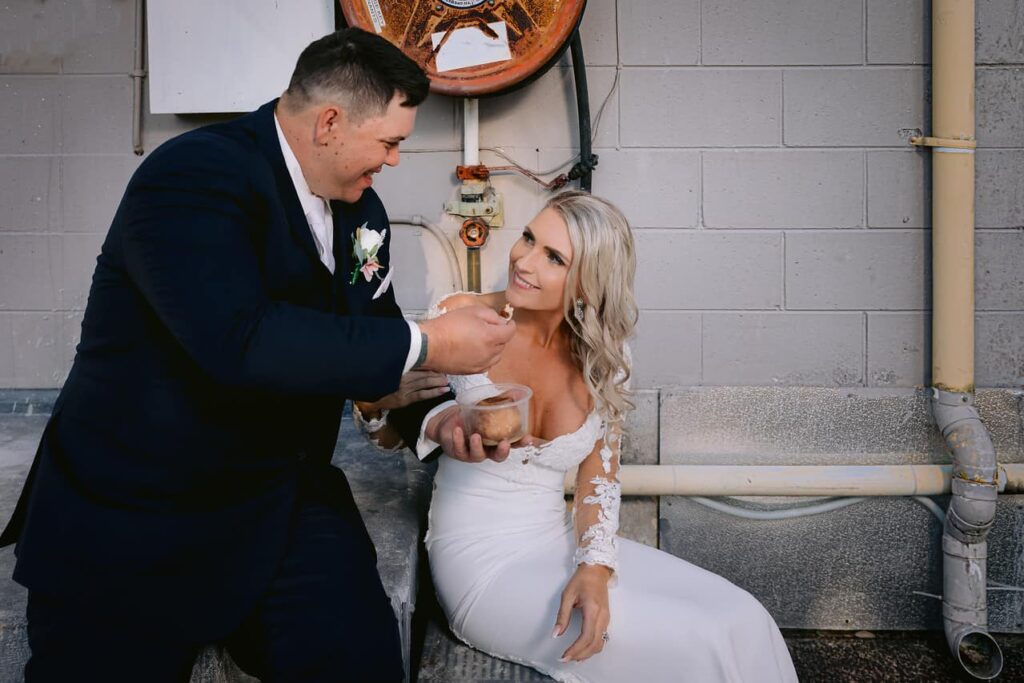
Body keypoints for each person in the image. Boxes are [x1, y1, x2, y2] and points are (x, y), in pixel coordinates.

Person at [0, 28, 516, 682]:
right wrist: (434, 338)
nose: (392, 161)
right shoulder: (192, 177)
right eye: (388, 142)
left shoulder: (363, 215)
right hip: (133, 508)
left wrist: (438, 419)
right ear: (330, 121)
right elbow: (241, 342)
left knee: (360, 662)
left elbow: (371, 339)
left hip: (275, 496)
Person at [357, 192, 799, 682]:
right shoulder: (460, 315)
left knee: (743, 618)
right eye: (528, 238)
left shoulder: (607, 360)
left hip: (559, 540)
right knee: (700, 641)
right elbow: (392, 434)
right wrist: (378, 406)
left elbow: (598, 481)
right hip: (480, 563)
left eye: (553, 258)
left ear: (588, 283)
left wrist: (594, 566)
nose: (523, 261)